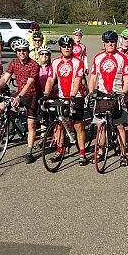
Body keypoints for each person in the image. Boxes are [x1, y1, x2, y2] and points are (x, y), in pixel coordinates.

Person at [0, 38, 40, 164]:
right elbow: (5, 77)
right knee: (0, 108)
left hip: (32, 94)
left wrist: (19, 97)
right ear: (16, 51)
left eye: (24, 50)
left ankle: (29, 152)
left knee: (31, 124)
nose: (21, 53)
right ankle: (14, 123)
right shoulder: (14, 63)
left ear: (27, 51)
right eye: (19, 51)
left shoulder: (34, 64)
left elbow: (30, 83)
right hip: (19, 92)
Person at [42, 36, 88, 165]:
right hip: (61, 96)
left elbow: (78, 80)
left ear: (72, 47)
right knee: (60, 125)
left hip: (76, 96)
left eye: (69, 46)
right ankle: (59, 150)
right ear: (60, 47)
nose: (67, 48)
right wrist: (46, 94)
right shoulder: (56, 62)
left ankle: (82, 154)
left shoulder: (78, 62)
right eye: (64, 46)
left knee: (78, 126)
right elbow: (51, 79)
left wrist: (73, 96)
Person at [89, 30, 128, 165]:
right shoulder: (98, 57)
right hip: (102, 93)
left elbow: (127, 78)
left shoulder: (122, 57)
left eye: (112, 41)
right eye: (107, 42)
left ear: (116, 42)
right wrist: (91, 92)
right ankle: (101, 152)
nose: (110, 44)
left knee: (119, 126)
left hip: (117, 93)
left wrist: (123, 93)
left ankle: (123, 154)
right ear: (104, 43)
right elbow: (93, 77)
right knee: (101, 124)